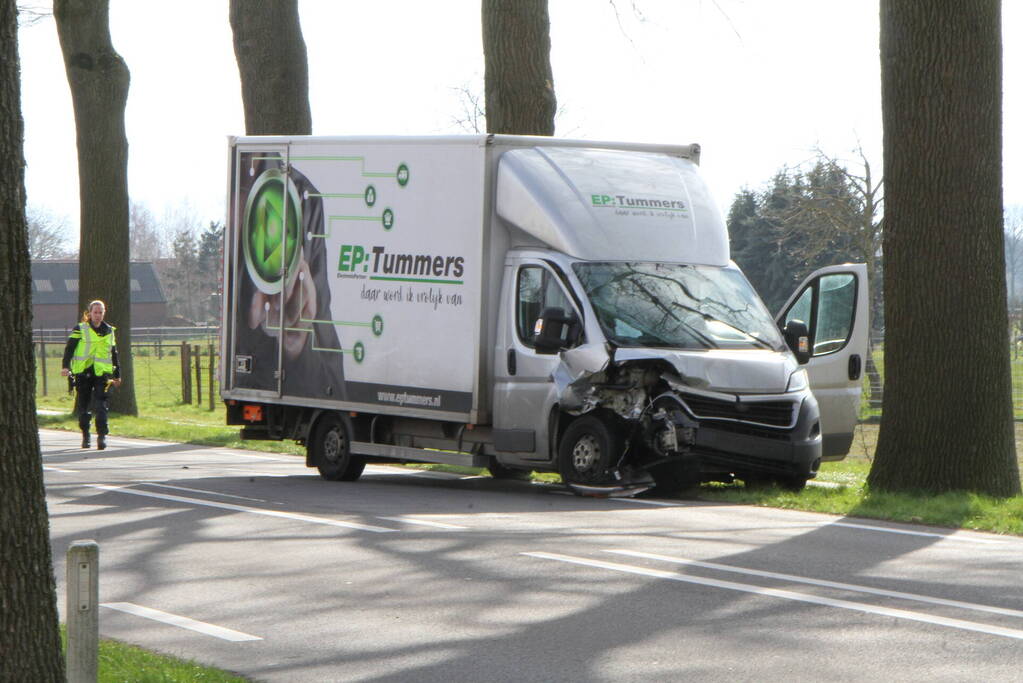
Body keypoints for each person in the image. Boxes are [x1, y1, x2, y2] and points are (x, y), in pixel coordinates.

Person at [61, 300, 121, 449]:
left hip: (102, 373)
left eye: (101, 312)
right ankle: (86, 435)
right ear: (90, 313)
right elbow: (70, 348)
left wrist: (117, 374)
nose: (98, 315)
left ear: (104, 313)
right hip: (83, 372)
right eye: (95, 312)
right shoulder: (80, 329)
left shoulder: (109, 331)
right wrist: (65, 366)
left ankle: (101, 437)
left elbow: (114, 353)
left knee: (101, 405)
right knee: (84, 405)